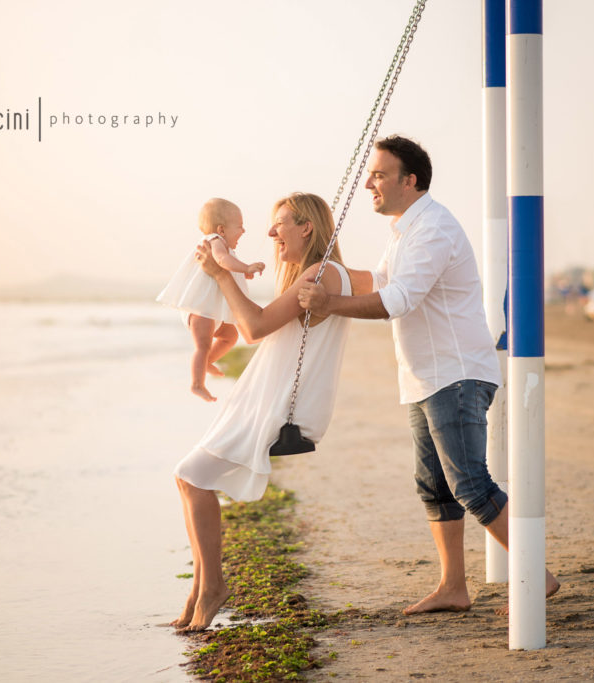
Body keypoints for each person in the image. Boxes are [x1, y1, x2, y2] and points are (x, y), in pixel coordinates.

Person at [297, 135, 559, 614]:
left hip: (455, 374)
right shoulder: (403, 230)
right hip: (424, 376)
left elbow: (397, 301)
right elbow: (376, 281)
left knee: (470, 485)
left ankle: (536, 575)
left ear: (409, 180)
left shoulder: (433, 229)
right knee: (434, 486)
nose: (368, 184)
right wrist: (318, 267)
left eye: (378, 174)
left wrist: (329, 304)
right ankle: (453, 588)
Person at [172, 192, 353, 632]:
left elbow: (252, 328)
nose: (270, 233)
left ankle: (213, 586)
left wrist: (220, 275)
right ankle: (199, 588)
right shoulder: (321, 272)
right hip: (267, 395)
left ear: (306, 227)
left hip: (281, 403)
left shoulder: (321, 272)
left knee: (192, 476)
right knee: (187, 477)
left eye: (280, 223)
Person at [156, 198, 266, 402]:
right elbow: (223, 262)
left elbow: (226, 266)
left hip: (212, 311)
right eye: (240, 227)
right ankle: (197, 384)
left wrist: (242, 273)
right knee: (203, 345)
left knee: (230, 337)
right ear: (221, 229)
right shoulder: (214, 241)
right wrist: (246, 267)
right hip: (201, 310)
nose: (243, 231)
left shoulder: (223, 246)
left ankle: (207, 362)